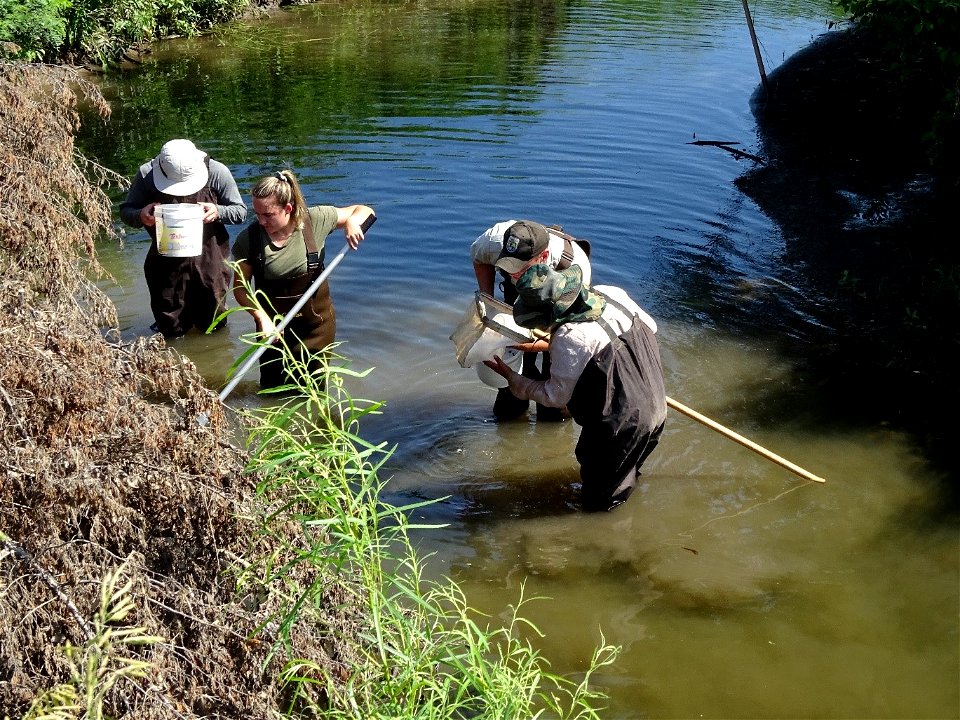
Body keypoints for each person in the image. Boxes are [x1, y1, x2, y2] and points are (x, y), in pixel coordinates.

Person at [482, 263, 667, 512]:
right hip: (656, 404)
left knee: (600, 498)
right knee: (628, 467)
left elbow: (555, 396)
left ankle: (602, 535)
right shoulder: (611, 293)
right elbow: (650, 328)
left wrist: (513, 379)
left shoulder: (570, 337)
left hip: (620, 424)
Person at [231, 170, 375, 389]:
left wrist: (352, 223)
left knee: (314, 391)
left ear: (288, 209)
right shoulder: (248, 240)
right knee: (272, 389)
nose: (261, 221)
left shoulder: (315, 219)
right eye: (257, 214)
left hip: (316, 327)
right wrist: (261, 318)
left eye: (268, 215)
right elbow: (240, 289)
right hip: (273, 330)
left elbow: (363, 210)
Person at [119, 138, 247, 338]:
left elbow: (240, 212)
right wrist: (140, 215)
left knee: (215, 326)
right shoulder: (146, 174)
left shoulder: (217, 172)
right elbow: (126, 211)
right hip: (165, 264)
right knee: (170, 328)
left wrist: (218, 211)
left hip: (210, 261)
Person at [470, 219, 592, 420]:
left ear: (543, 257)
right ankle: (513, 413)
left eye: (519, 268)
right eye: (507, 264)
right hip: (517, 304)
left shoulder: (575, 272)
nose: (513, 274)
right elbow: (479, 258)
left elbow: (568, 341)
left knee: (554, 404)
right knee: (507, 409)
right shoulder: (494, 240)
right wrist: (489, 304)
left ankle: (553, 420)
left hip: (559, 308)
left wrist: (524, 344)